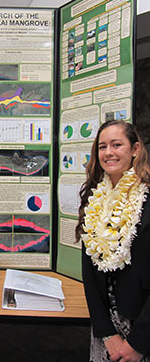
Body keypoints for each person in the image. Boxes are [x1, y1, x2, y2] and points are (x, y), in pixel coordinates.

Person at [76, 119, 150, 362]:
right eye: (102, 146)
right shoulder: (94, 198)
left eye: (117, 144)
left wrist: (138, 343)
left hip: (142, 329)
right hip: (107, 328)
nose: (108, 153)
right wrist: (106, 332)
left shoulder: (147, 200)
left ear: (135, 149)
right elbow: (89, 270)